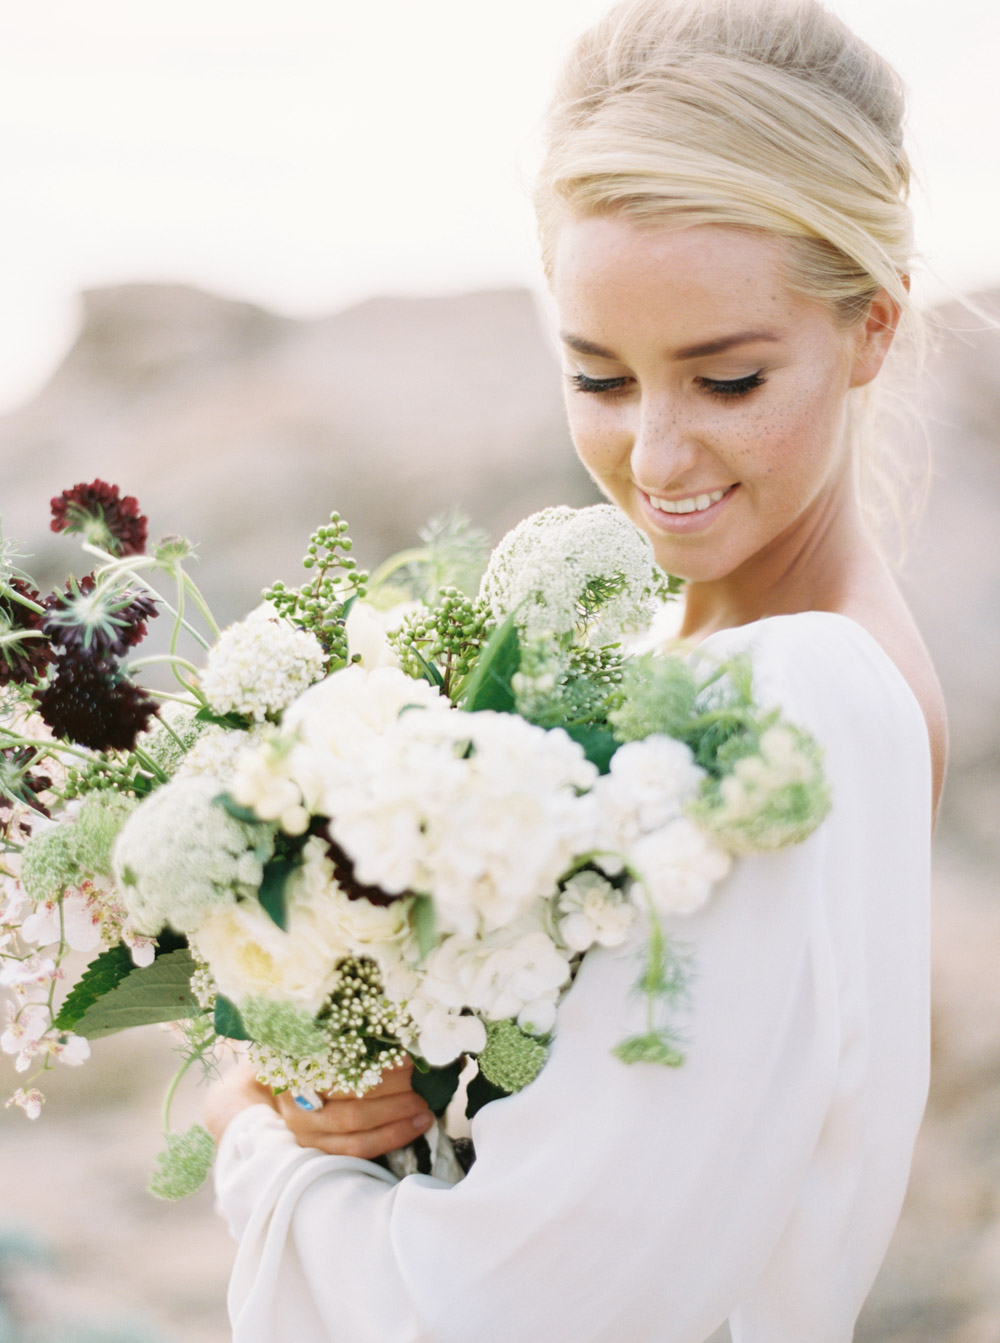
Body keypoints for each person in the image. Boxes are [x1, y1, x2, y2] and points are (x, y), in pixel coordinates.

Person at [204, 0, 946, 1337]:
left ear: (874, 327)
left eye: (727, 383)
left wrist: (248, 1141)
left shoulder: (784, 713)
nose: (656, 462)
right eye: (600, 379)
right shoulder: (723, 667)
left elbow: (502, 1311)